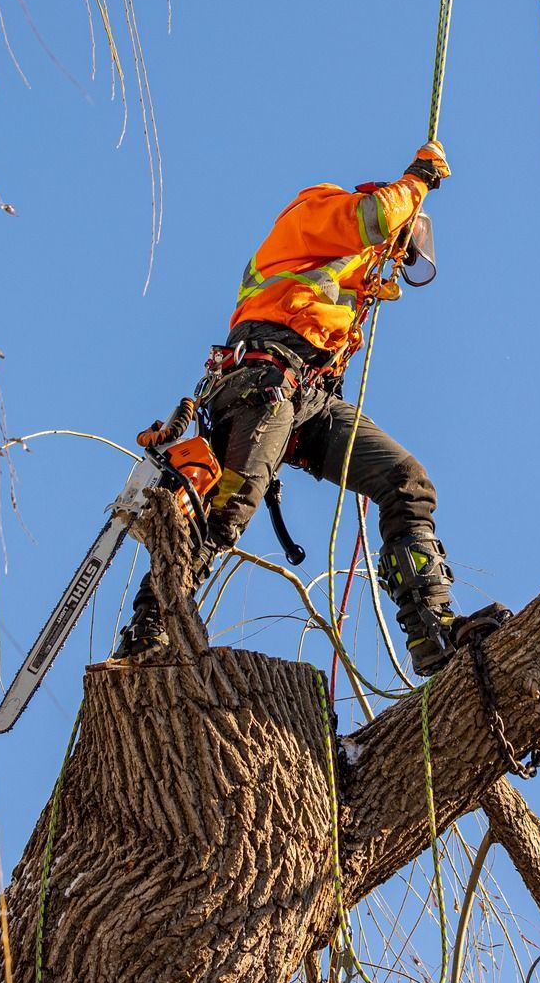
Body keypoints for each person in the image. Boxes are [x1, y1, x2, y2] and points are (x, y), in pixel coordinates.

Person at [117, 141, 509, 674]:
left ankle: (431, 629)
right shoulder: (319, 210)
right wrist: (418, 179)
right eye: (405, 243)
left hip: (309, 398)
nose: (401, 254)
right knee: (230, 503)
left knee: (406, 480)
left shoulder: (352, 274)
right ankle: (151, 622)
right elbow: (373, 218)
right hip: (262, 378)